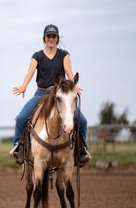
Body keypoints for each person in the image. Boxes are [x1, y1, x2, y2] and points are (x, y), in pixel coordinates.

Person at [10, 24, 90, 165]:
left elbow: (68, 70)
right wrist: (23, 86)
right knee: (21, 118)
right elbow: (30, 72)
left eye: (54, 36)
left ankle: (81, 150)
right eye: (49, 36)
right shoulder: (37, 56)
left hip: (60, 94)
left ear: (57, 38)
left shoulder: (64, 54)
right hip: (41, 93)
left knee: (82, 121)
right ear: (44, 38)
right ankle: (18, 147)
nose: (51, 39)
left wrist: (73, 84)